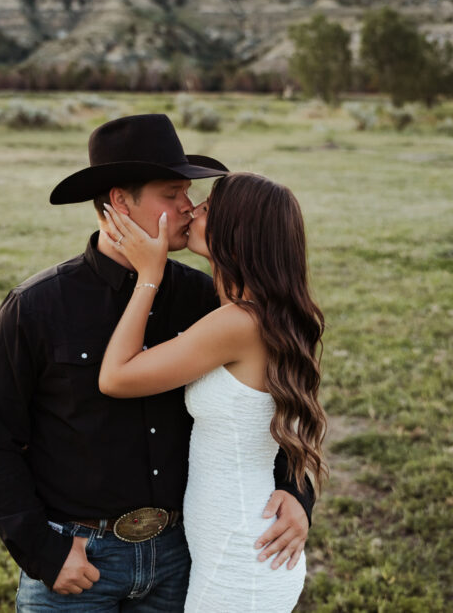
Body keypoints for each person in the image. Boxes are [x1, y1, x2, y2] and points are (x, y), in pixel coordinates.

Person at [0, 114, 315, 611]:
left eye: (189, 193)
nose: (189, 206)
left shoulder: (207, 300)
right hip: (79, 557)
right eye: (172, 194)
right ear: (120, 202)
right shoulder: (37, 307)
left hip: (182, 557)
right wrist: (42, 551)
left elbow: (272, 403)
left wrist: (297, 494)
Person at [98, 171, 327, 612]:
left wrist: (149, 275)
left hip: (239, 558)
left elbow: (116, 377)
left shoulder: (238, 323)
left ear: (236, 238)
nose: (191, 210)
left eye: (206, 209)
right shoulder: (262, 314)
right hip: (237, 546)